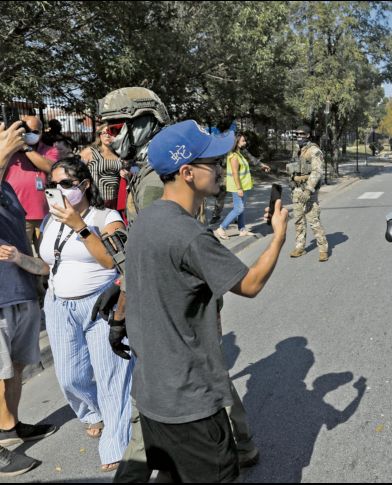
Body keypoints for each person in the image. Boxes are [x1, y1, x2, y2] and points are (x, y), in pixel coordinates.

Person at [124, 120, 288, 482]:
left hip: (154, 395)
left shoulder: (147, 219)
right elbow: (251, 284)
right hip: (191, 403)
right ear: (186, 173)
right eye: (212, 163)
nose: (219, 170)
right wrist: (277, 237)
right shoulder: (189, 235)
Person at [34, 157, 132, 472]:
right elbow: (48, 263)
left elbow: (112, 262)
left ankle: (115, 444)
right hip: (59, 304)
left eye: (65, 184)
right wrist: (22, 262)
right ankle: (92, 412)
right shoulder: (49, 221)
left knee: (111, 376)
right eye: (52, 185)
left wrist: (80, 226)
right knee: (70, 376)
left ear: (85, 185)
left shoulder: (107, 217)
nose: (57, 190)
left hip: (99, 304)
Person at [0, 121, 57, 477]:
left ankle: (11, 427)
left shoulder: (6, 185)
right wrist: (5, 150)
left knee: (18, 364)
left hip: (19, 286)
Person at [1, 115, 59, 255]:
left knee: (47, 254)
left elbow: (50, 167)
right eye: (27, 130)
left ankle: (45, 278)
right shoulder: (10, 151)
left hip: (44, 213)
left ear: (41, 132)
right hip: (20, 214)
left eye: (35, 131)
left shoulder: (49, 150)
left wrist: (25, 147)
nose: (31, 135)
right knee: (22, 254)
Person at [210, 135, 270, 226]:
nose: (245, 142)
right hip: (224, 176)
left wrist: (261, 165)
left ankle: (238, 219)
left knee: (238, 201)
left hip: (234, 177)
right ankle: (216, 216)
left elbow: (251, 158)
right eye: (243, 141)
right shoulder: (225, 150)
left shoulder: (241, 150)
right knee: (220, 197)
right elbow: (216, 162)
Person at [289, 126, 329, 261]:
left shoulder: (314, 151)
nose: (299, 136)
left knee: (313, 220)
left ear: (308, 135)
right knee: (298, 220)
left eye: (302, 134)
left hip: (308, 190)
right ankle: (300, 247)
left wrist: (308, 190)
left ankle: (323, 249)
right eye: (297, 133)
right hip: (296, 189)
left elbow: (317, 172)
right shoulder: (296, 149)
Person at [214, 133, 258, 239]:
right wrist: (239, 188)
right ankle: (221, 228)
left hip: (244, 186)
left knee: (241, 208)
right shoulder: (234, 156)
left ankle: (242, 229)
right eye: (243, 141)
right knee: (238, 209)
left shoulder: (240, 154)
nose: (245, 142)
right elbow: (235, 173)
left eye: (245, 140)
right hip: (237, 187)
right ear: (237, 143)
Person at [80, 123, 124, 209]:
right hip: (95, 199)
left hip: (115, 200)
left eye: (110, 132)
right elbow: (75, 169)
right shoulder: (90, 152)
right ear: (99, 136)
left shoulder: (119, 153)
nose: (107, 135)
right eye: (104, 133)